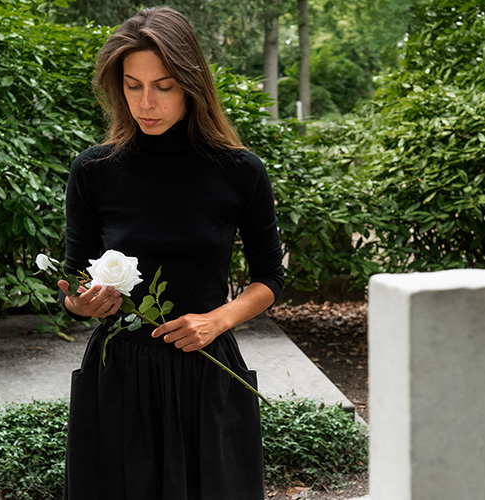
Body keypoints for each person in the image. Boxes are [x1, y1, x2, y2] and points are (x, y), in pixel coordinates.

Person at [56, 6, 284, 500]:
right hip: (118, 380)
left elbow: (271, 277)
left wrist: (217, 320)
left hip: (206, 373)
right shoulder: (94, 170)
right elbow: (75, 280)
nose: (146, 102)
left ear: (191, 83)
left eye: (163, 85)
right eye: (132, 85)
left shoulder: (239, 170)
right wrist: (82, 302)